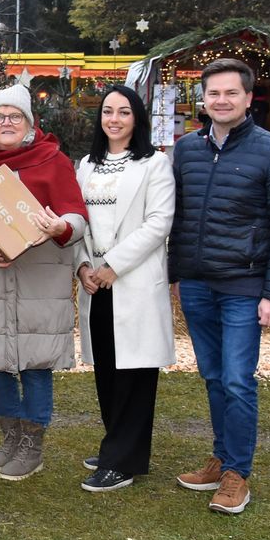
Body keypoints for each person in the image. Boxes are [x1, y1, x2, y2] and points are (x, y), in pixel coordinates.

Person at [169, 57, 270, 515]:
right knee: (212, 377)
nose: (221, 100)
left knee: (237, 380)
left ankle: (236, 475)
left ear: (248, 98)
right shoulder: (186, 149)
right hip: (198, 284)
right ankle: (221, 457)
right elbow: (178, 217)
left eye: (231, 93)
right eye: (213, 93)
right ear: (202, 99)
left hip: (246, 286)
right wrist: (175, 272)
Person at [0, 84, 88, 481]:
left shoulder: (52, 160)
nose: (6, 123)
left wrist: (60, 225)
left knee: (35, 362)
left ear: (30, 123)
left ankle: (33, 443)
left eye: (15, 116)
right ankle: (10, 437)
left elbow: (77, 216)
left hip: (39, 275)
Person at [74, 85, 175, 493]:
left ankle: (121, 461)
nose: (114, 119)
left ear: (137, 119)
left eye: (124, 112)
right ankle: (122, 444)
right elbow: (76, 217)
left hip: (131, 280)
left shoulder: (155, 164)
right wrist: (82, 265)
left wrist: (114, 266)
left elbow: (159, 221)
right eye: (107, 111)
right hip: (95, 281)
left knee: (134, 373)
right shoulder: (86, 165)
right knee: (108, 371)